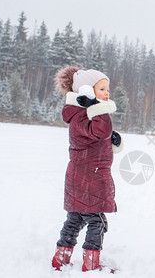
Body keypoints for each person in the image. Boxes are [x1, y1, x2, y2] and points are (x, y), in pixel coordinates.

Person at [51, 66, 124, 272]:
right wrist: (97, 109)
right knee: (97, 220)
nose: (107, 93)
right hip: (89, 177)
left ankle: (61, 258)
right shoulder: (83, 115)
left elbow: (96, 139)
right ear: (87, 92)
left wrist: (113, 140)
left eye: (107, 88)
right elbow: (99, 131)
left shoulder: (83, 114)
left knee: (75, 218)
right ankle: (91, 263)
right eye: (101, 89)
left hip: (82, 176)